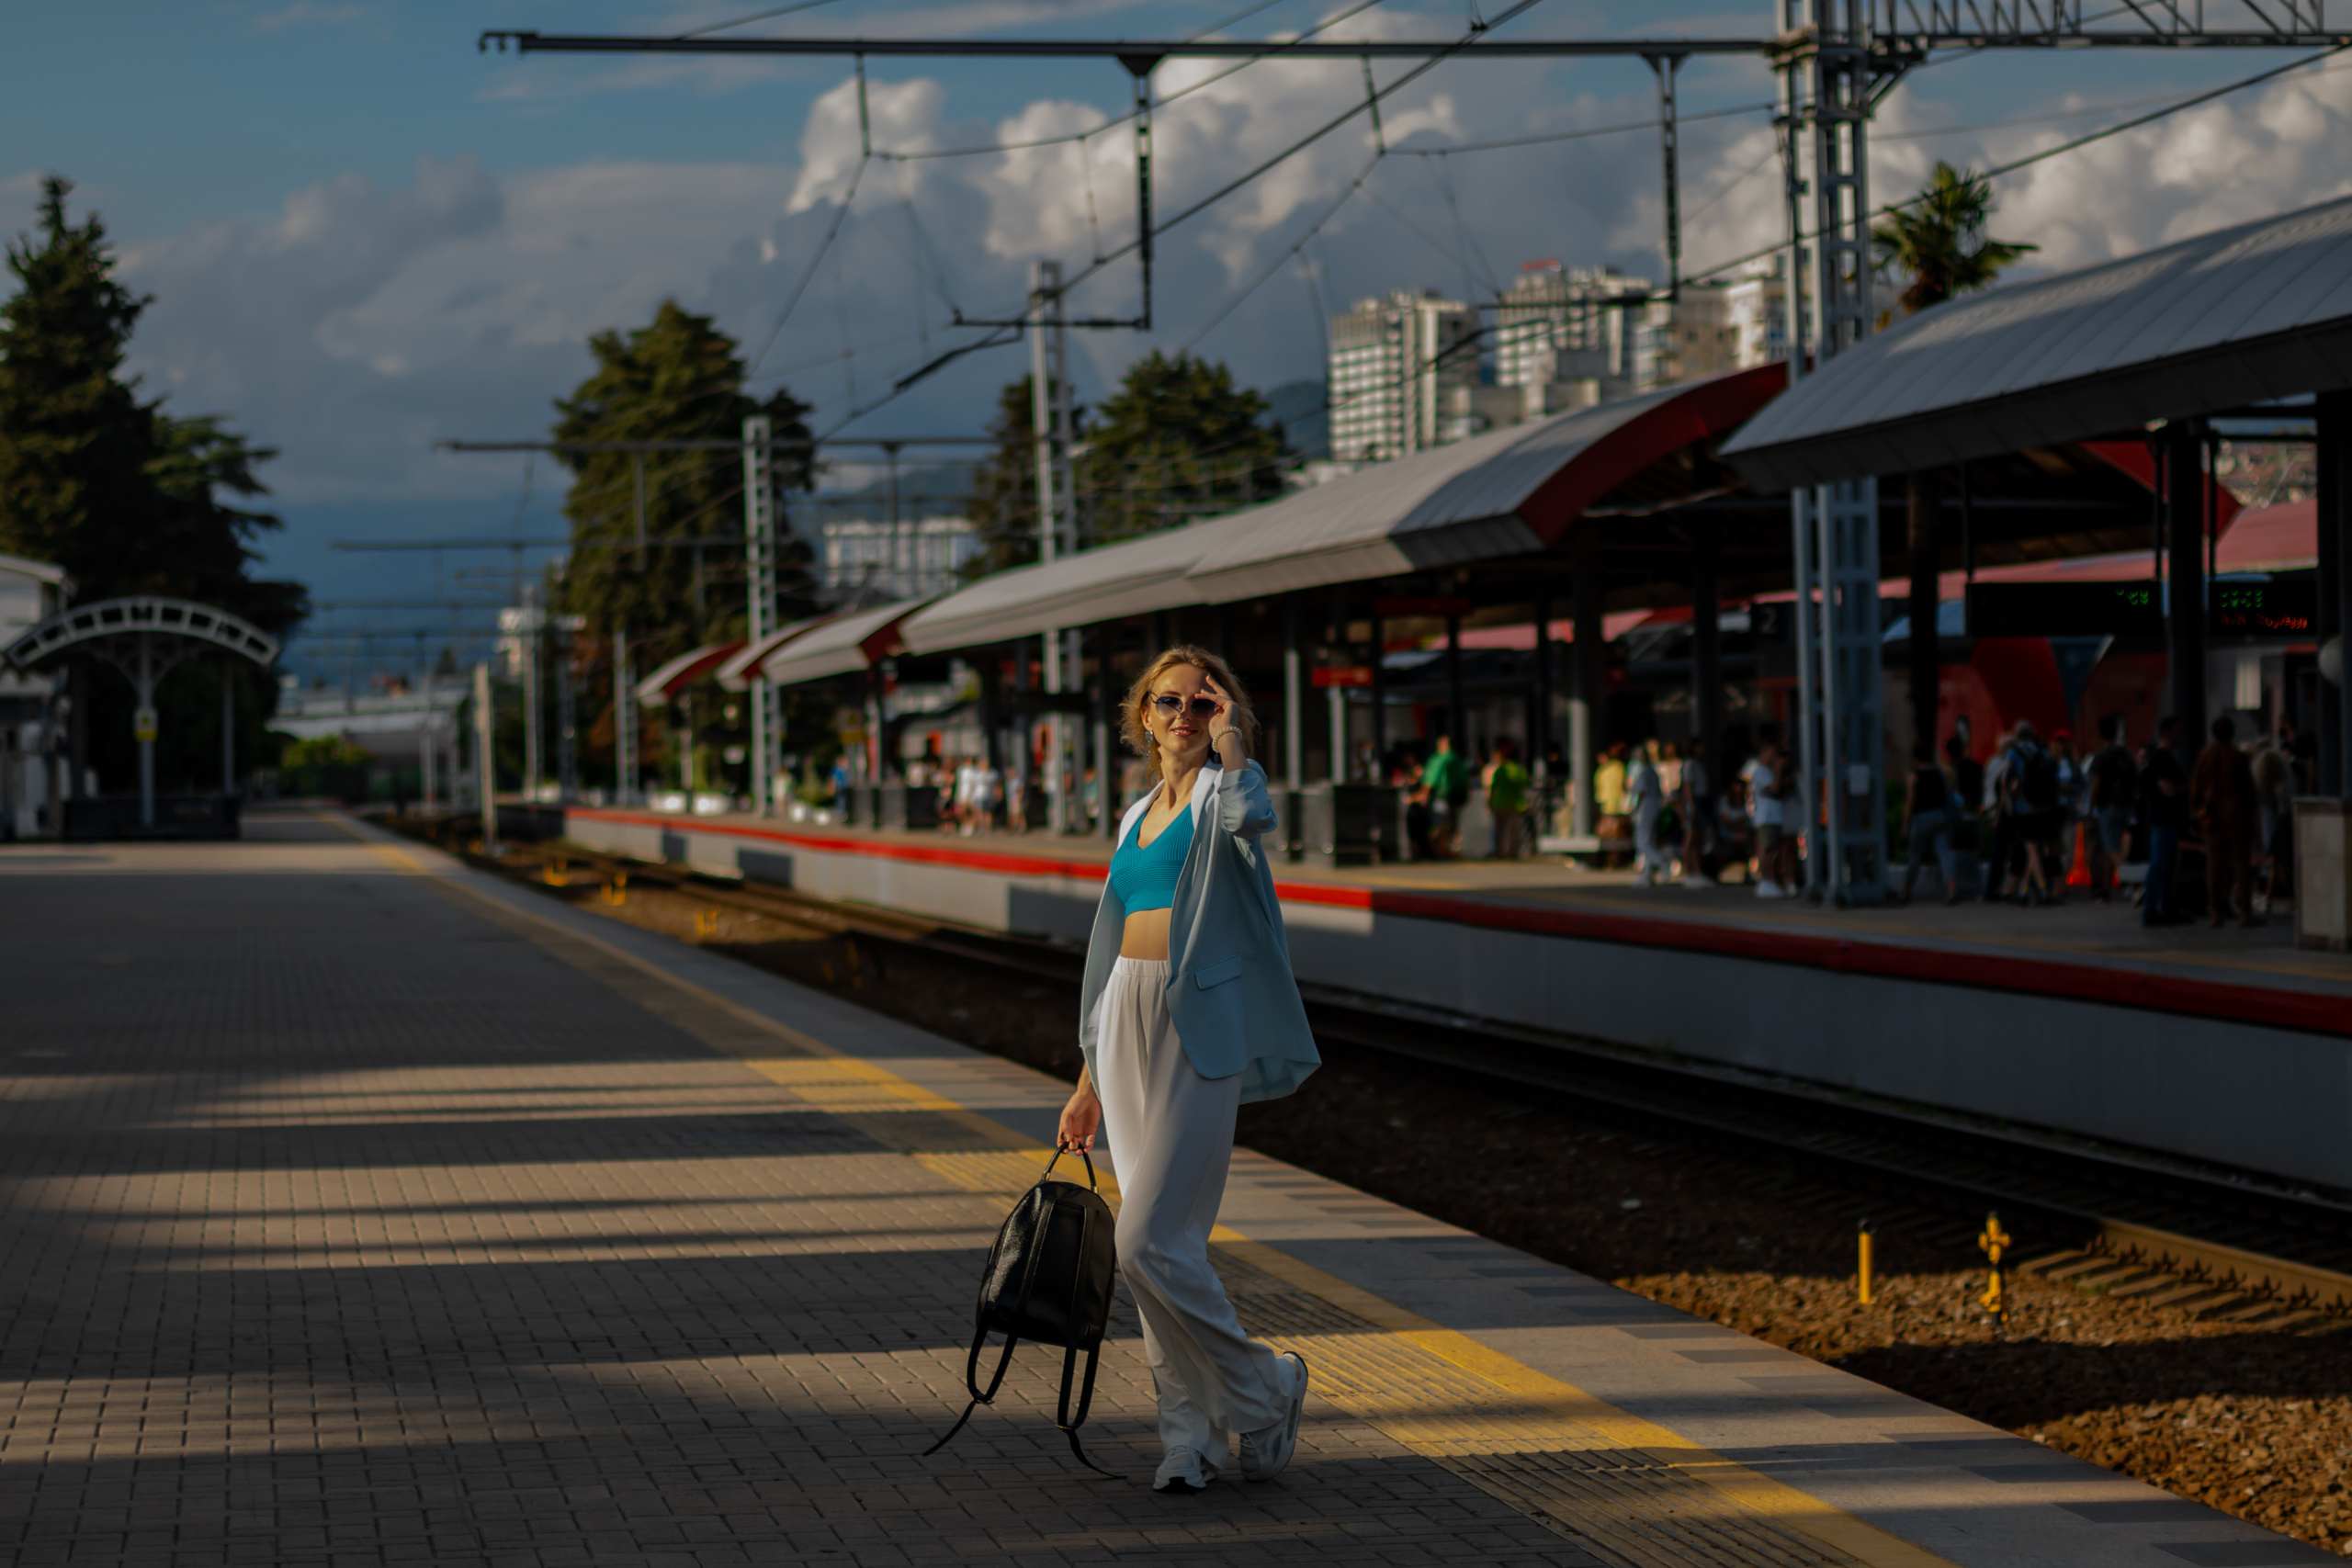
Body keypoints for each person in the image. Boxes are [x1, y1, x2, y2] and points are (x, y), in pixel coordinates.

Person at [1056, 646, 1319, 1495]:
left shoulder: (1222, 792)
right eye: (1169, 703)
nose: (1183, 717)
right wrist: (1089, 1075)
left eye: (1202, 705)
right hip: (1122, 1020)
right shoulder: (1136, 812)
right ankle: (1191, 1439)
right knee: (1158, 1250)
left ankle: (1262, 1391)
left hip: (1196, 1018)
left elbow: (1255, 825)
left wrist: (1236, 748)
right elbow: (1108, 943)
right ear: (1144, 715)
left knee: (1145, 1239)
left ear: (1221, 715)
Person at [2190, 715, 2262, 928]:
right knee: (2241, 867)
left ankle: (2216, 912)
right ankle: (2245, 912)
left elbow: (2196, 789)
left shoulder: (2204, 756)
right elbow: (2249, 793)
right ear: (2231, 733)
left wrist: (2196, 814)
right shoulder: (2238, 757)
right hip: (2237, 818)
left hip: (2212, 819)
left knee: (2213, 867)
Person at [2005, 721, 2063, 907]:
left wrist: (2013, 799)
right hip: (2046, 806)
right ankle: (2024, 890)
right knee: (2039, 849)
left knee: (2032, 849)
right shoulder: (2042, 750)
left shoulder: (2013, 753)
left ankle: (2043, 890)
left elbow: (2006, 779)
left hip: (2026, 808)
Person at [2141, 716, 2190, 926]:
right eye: (2178, 731)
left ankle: (2164, 909)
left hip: (2165, 820)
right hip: (2164, 820)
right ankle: (2152, 911)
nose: (2182, 735)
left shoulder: (2161, 758)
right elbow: (2168, 790)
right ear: (2168, 732)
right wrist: (2186, 787)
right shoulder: (2162, 759)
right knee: (2161, 866)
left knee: (2166, 866)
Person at [1896, 739, 1959, 905]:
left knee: (1915, 856)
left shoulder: (1914, 776)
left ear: (1915, 757)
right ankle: (1951, 890)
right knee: (1944, 854)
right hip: (1940, 817)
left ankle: (1906, 890)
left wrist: (1905, 824)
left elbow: (1910, 801)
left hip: (1921, 819)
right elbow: (1947, 795)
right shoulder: (1939, 773)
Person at [2083, 718, 2134, 903]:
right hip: (2125, 805)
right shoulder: (2125, 753)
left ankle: (2132, 883)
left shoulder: (2102, 756)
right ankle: (2107, 889)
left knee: (2110, 848)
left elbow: (2096, 784)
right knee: (2112, 848)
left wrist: (2090, 807)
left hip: (2107, 806)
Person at [1742, 740, 1788, 898]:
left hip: (1773, 815)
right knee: (1766, 849)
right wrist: (1778, 770)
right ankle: (1765, 880)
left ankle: (1770, 880)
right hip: (1766, 815)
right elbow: (1774, 788)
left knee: (1772, 849)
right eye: (1771, 753)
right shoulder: (1760, 771)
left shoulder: (1766, 770)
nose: (1774, 757)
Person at [1627, 740, 1670, 886]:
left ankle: (1661, 862)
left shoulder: (1644, 772)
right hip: (1655, 805)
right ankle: (1647, 874)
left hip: (1646, 807)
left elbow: (1640, 793)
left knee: (1641, 842)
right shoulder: (1653, 771)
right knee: (1649, 840)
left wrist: (1634, 810)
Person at [1482, 738, 1531, 860]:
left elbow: (1494, 788)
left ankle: (1499, 852)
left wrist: (1489, 802)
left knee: (1500, 831)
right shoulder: (1519, 769)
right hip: (1514, 804)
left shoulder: (1500, 770)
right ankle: (1511, 852)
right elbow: (1524, 787)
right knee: (1512, 831)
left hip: (1500, 803)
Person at [1420, 735, 1467, 860]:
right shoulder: (1456, 759)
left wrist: (1422, 795)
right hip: (1456, 797)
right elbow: (1464, 779)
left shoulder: (1438, 759)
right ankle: (1454, 850)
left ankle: (1443, 851)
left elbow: (1430, 780)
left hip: (1441, 797)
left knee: (1440, 826)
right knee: (1453, 824)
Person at [1679, 736, 1716, 887]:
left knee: (1698, 838)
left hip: (1700, 801)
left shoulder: (1698, 764)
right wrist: (1692, 807)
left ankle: (1697, 870)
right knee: (1691, 838)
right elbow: (1688, 787)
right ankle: (1689, 870)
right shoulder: (1689, 764)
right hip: (1695, 802)